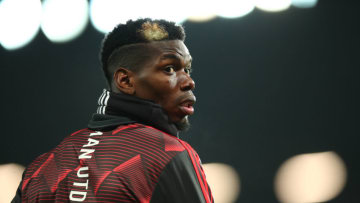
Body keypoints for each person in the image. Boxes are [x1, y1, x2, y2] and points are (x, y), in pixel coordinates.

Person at [12, 18, 214, 203]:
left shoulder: (42, 167)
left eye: (187, 70)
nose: (189, 82)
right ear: (125, 81)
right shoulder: (167, 155)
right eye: (169, 69)